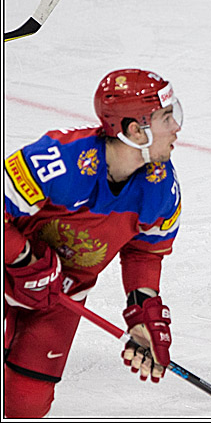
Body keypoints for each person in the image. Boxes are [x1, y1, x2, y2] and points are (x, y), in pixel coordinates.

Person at [4, 69, 183, 418]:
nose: (176, 127)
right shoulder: (58, 160)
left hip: (61, 294)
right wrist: (23, 260)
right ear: (135, 130)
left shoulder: (162, 187)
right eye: (165, 117)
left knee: (27, 403)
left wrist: (141, 312)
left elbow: (144, 252)